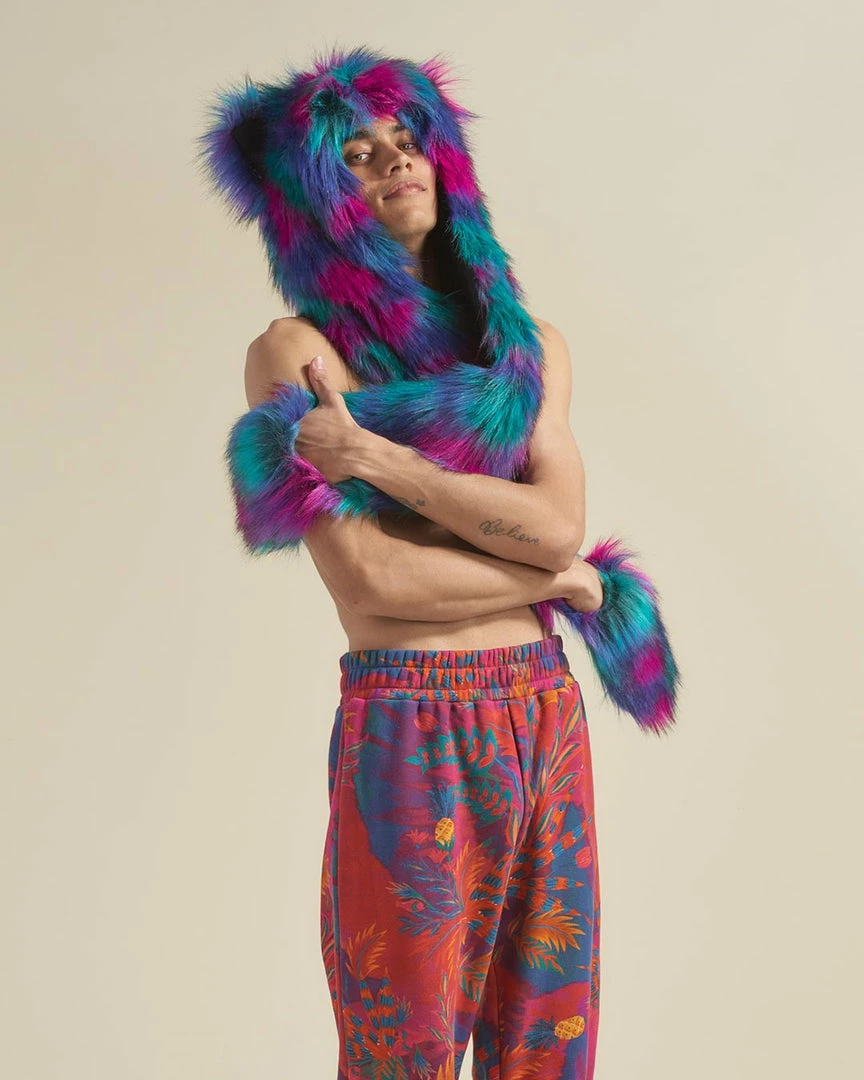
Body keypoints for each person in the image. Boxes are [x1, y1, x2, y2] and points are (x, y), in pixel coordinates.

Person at [242, 114, 604, 1079]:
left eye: (405, 139)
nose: (394, 159)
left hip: (545, 708)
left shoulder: (531, 351)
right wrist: (555, 580)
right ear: (314, 199)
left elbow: (556, 527)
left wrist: (376, 456)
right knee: (401, 1048)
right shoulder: (297, 354)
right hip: (413, 716)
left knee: (549, 1043)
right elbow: (374, 579)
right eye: (355, 156)